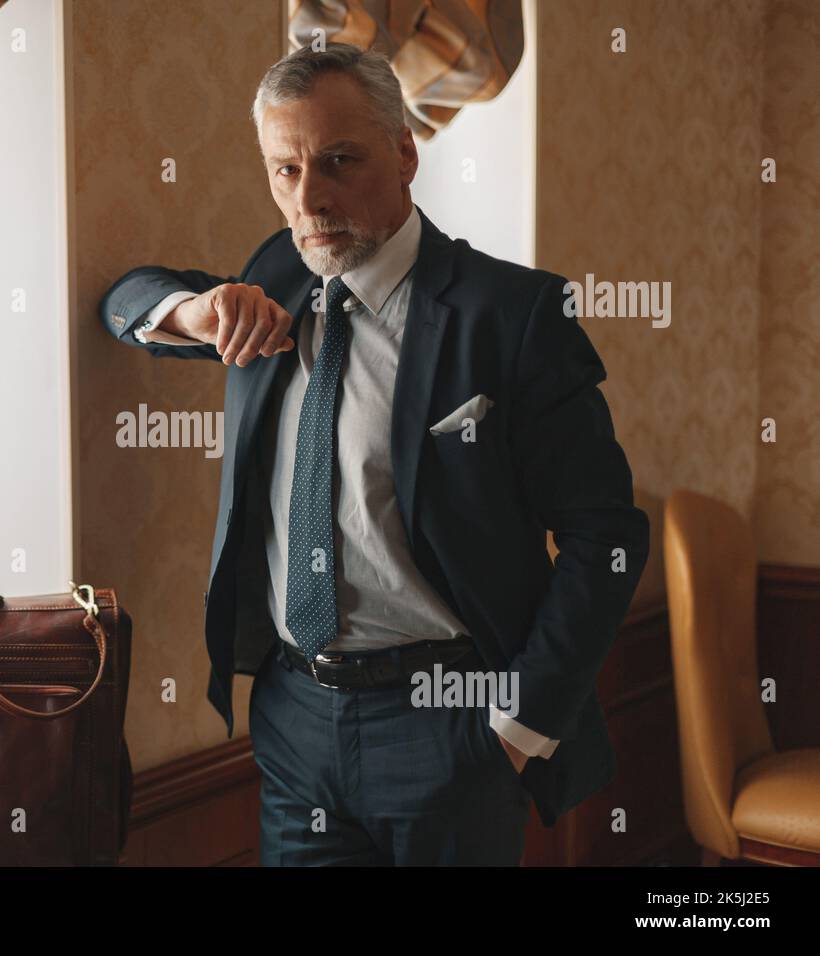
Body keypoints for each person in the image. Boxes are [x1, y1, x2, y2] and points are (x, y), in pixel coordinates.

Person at [98, 42, 648, 865]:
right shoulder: (273, 281)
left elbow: (606, 537)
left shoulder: (510, 315)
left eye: (338, 161)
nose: (308, 199)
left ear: (404, 153)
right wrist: (193, 314)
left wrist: (516, 727)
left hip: (451, 726)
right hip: (294, 727)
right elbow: (124, 299)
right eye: (283, 170)